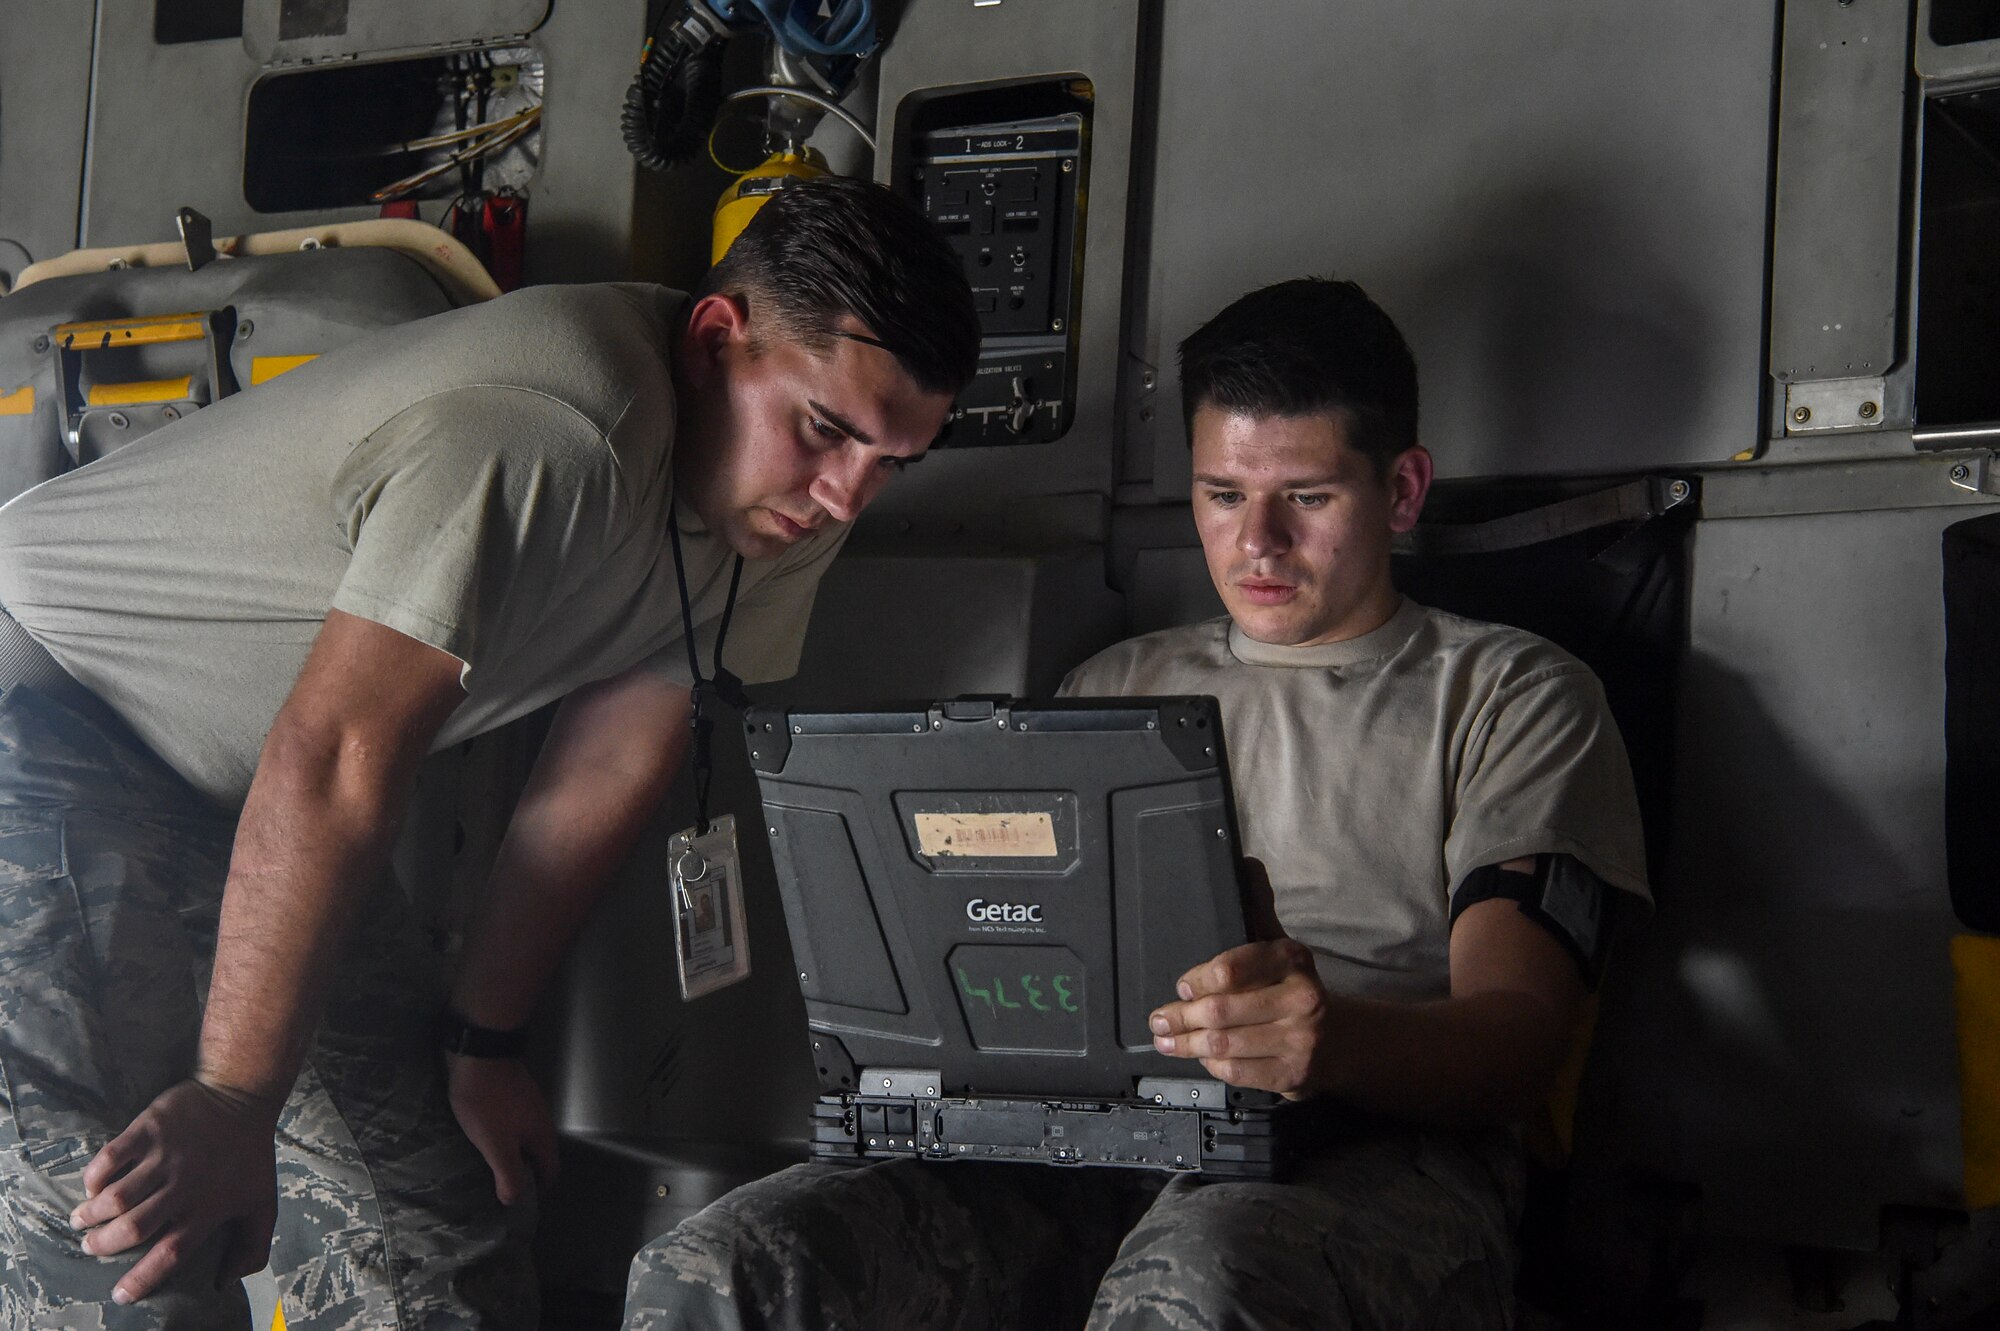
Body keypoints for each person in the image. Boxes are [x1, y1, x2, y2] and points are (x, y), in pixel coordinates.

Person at [0, 176, 978, 1329]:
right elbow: (335, 755)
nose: (845, 496)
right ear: (718, 337)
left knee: (430, 1242)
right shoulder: (559, 422)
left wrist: (481, 1038)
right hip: (52, 705)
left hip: (249, 786)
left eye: (891, 462)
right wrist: (233, 1096)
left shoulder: (780, 505)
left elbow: (611, 762)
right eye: (829, 430)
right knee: (126, 1241)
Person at [620, 276, 1653, 1330]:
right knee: (720, 1266)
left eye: (1304, 495)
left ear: (1398, 490)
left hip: (1378, 1149)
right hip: (1093, 1140)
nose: (1255, 540)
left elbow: (1518, 1041)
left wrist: (1326, 1040)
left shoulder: (1513, 697)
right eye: (1219, 494)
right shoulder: (1112, 689)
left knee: (1194, 1288)